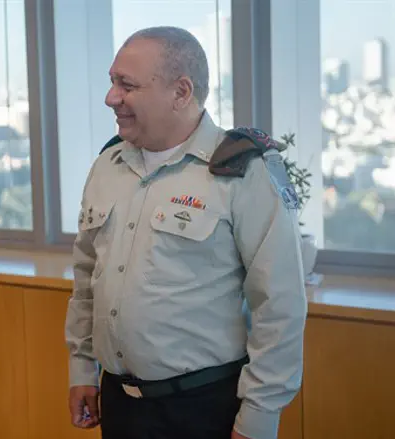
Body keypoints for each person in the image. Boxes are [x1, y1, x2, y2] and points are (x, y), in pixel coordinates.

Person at [65, 26, 307, 439]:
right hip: (119, 405)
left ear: (180, 92)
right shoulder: (108, 165)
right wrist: (82, 367)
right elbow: (87, 279)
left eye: (127, 85)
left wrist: (260, 416)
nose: (111, 97)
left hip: (204, 409)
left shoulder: (241, 170)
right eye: (112, 82)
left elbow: (279, 305)